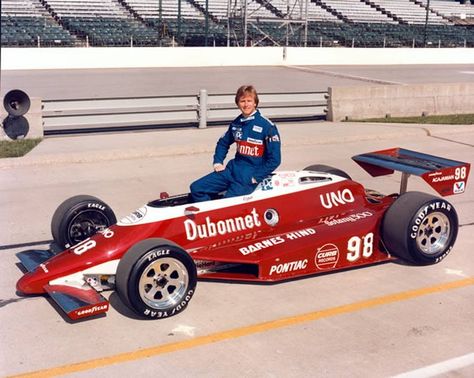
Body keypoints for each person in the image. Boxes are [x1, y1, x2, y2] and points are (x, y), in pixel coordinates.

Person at [190, 85, 281, 202]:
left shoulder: (267, 126)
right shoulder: (236, 123)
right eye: (242, 101)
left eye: (249, 101)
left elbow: (275, 159)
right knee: (196, 188)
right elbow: (223, 143)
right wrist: (218, 162)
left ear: (255, 103)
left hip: (247, 178)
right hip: (231, 171)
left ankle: (219, 216)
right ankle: (210, 217)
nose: (246, 104)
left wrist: (256, 177)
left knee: (226, 205)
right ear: (238, 104)